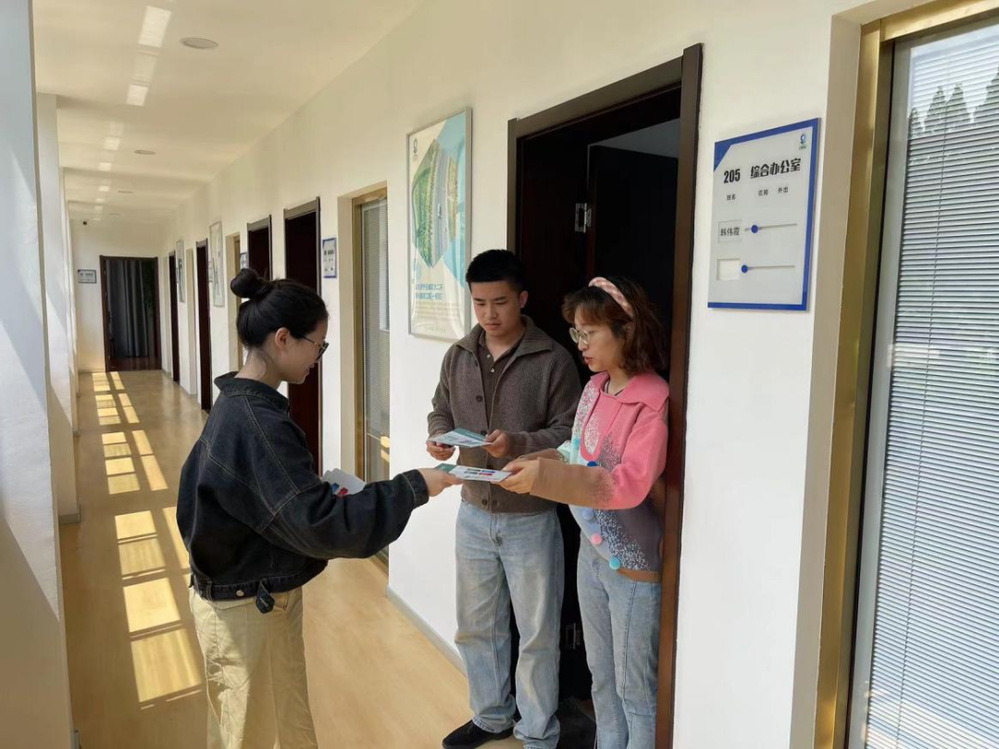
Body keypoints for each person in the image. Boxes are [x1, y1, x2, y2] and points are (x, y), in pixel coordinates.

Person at [178, 268, 460, 749]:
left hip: (252, 592)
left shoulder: (237, 405)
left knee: (279, 723)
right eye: (318, 345)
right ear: (283, 339)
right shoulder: (257, 423)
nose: (319, 357)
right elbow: (322, 525)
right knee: (250, 733)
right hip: (247, 606)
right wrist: (415, 486)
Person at [501, 276, 669, 749]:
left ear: (625, 331)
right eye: (576, 332)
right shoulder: (594, 388)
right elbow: (575, 451)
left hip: (634, 566)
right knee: (600, 677)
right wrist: (535, 462)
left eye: (589, 332)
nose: (580, 343)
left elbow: (627, 485)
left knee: (636, 690)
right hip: (591, 555)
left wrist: (547, 478)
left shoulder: (652, 399)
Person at [427, 250, 581, 749]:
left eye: (499, 302)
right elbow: (440, 408)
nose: (489, 314)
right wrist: (439, 437)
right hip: (473, 510)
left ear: (522, 299)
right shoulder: (458, 355)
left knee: (537, 632)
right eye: (479, 303)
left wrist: (516, 442)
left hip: (531, 514)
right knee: (476, 626)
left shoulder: (553, 359)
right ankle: (491, 716)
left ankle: (538, 732)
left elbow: (571, 434)